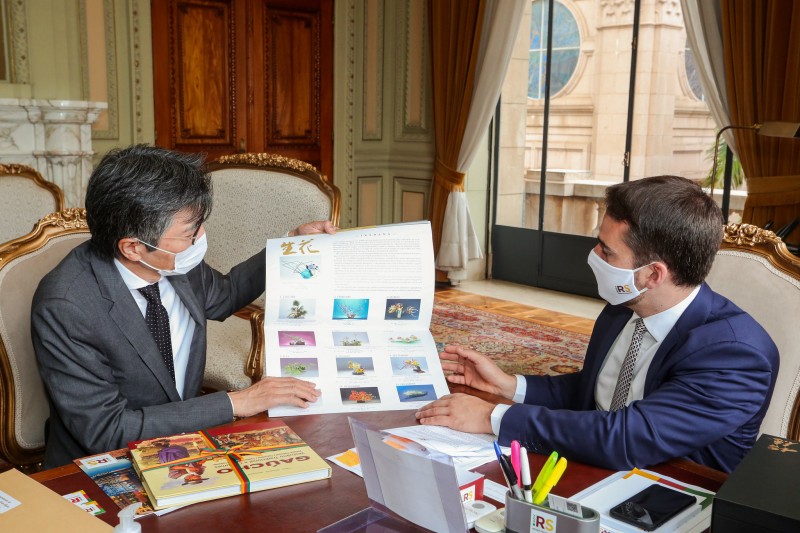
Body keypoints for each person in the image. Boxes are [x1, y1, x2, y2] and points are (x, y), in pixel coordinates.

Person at [417, 175, 779, 473]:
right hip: (597, 461)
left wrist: (495, 416)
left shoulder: (735, 354)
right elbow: (594, 391)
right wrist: (509, 386)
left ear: (652, 275)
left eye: (607, 251)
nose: (593, 255)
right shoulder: (622, 308)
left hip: (676, 488)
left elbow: (627, 437)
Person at [32, 145, 336, 468]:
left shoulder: (173, 261)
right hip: (101, 464)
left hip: (182, 449)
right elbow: (109, 430)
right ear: (133, 247)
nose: (200, 237)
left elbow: (226, 294)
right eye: (190, 233)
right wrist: (237, 402)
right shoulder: (65, 307)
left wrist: (289, 246)